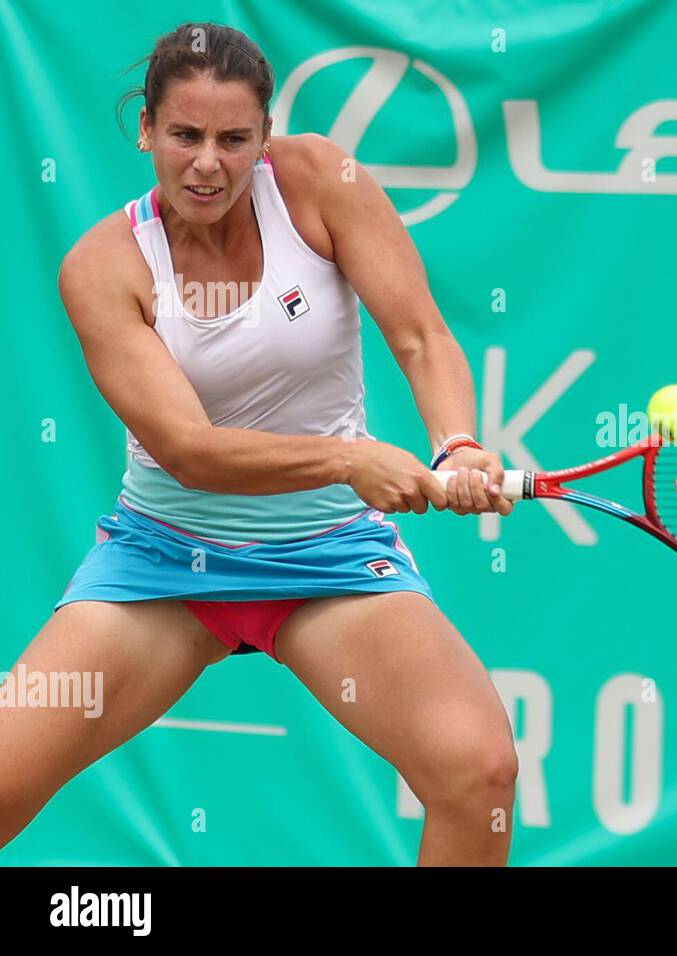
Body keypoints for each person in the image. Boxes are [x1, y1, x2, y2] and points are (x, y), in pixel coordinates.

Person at [0, 22, 518, 866]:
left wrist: (457, 443)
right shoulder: (102, 268)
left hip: (329, 562)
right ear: (146, 130)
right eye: (186, 136)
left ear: (266, 136)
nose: (209, 163)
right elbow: (190, 450)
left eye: (235, 139)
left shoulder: (321, 181)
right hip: (163, 566)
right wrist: (354, 461)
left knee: (479, 771)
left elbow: (421, 337)